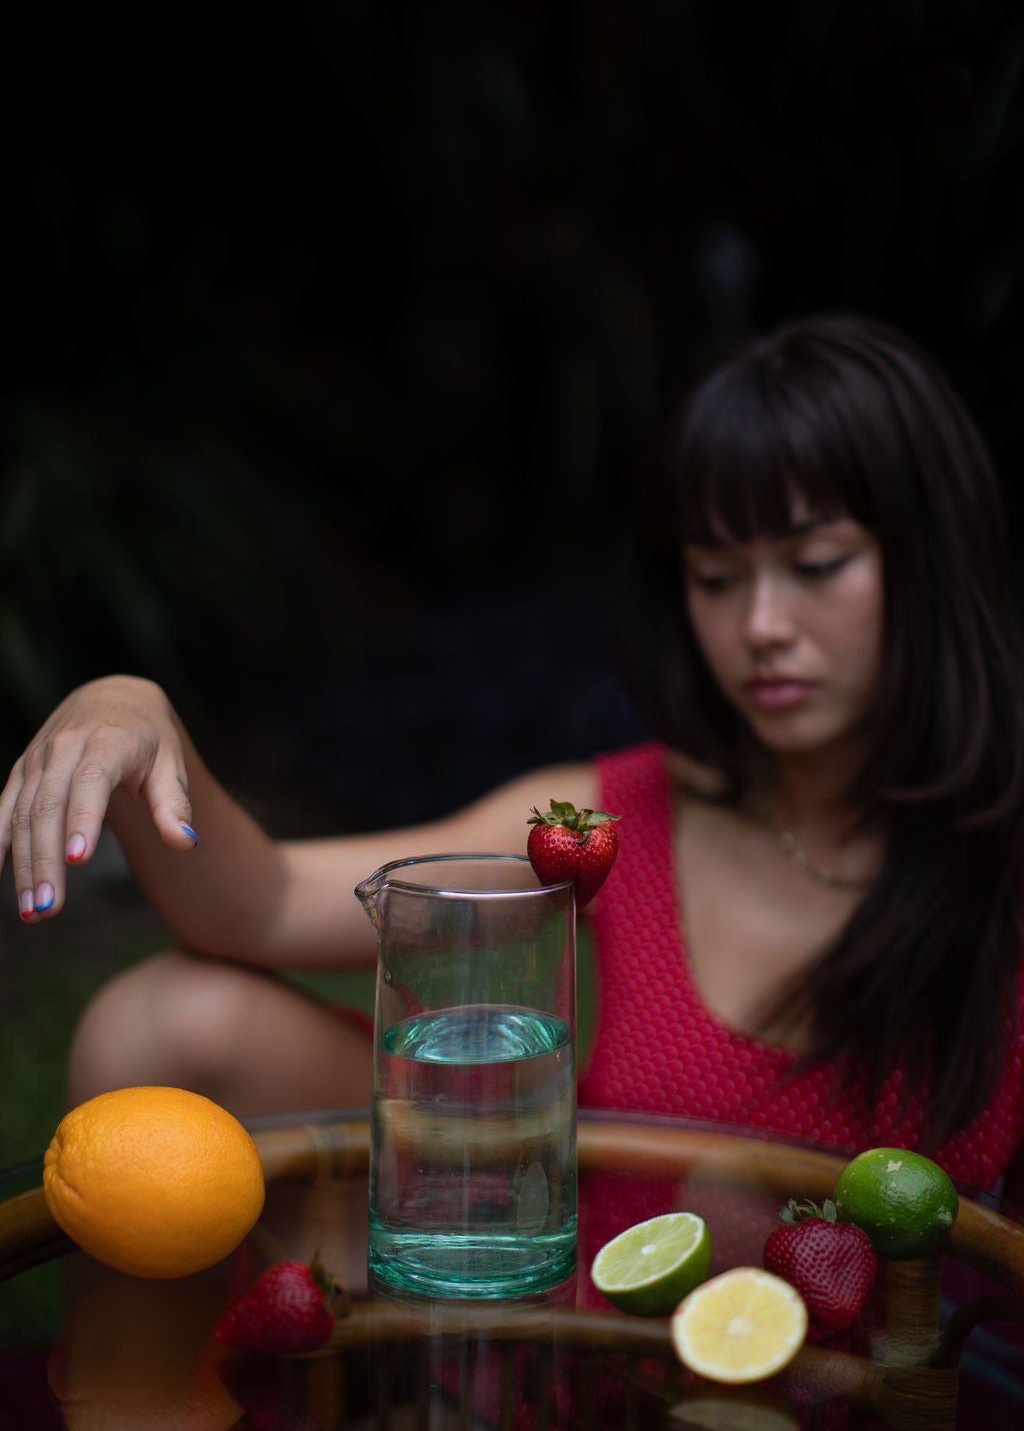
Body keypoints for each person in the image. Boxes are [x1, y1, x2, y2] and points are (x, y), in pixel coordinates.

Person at [3, 312, 1023, 1199]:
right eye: (716, 577)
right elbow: (259, 906)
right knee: (159, 1022)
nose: (762, 625)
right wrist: (130, 709)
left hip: (902, 1367)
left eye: (816, 564)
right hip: (587, 1338)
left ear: (931, 559)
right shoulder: (600, 824)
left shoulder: (998, 861)